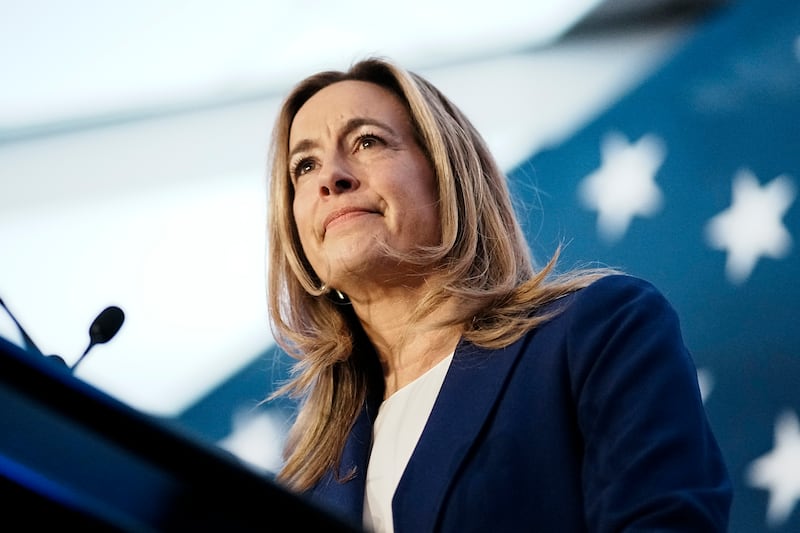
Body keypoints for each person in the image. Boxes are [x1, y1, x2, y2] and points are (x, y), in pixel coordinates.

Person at [264, 56, 732, 532]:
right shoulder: (304, 473)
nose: (331, 178)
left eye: (367, 141)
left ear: (448, 177)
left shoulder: (598, 330)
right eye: (304, 166)